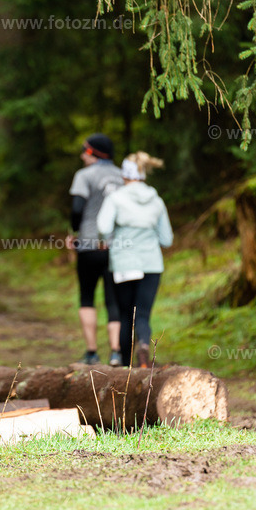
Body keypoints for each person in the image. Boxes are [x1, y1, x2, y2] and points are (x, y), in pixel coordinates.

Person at [96, 152, 173, 368]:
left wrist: (106, 239)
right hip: (151, 264)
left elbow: (103, 227)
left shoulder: (116, 198)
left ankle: (124, 365)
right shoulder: (156, 200)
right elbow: (167, 239)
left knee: (125, 315)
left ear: (124, 175)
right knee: (143, 314)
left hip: (124, 263)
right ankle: (144, 347)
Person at [69, 134, 124, 366]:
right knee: (114, 300)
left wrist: (74, 233)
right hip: (117, 246)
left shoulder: (84, 176)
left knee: (87, 297)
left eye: (85, 150)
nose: (82, 155)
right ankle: (116, 352)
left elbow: (77, 208)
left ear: (93, 153)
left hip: (89, 244)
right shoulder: (124, 176)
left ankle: (92, 352)